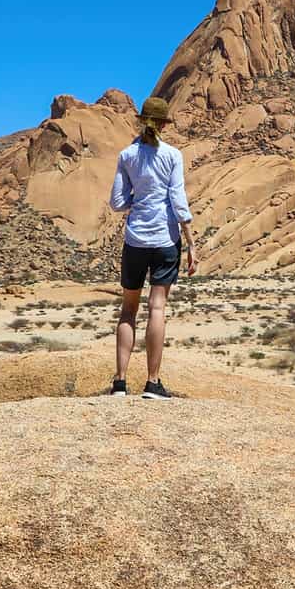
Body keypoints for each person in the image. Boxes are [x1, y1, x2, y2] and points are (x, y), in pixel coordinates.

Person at [107, 95, 195, 397]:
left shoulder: (127, 155)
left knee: (128, 310)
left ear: (142, 121)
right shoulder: (172, 155)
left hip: (135, 239)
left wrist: (139, 202)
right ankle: (153, 383)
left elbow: (117, 203)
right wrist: (192, 244)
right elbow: (179, 203)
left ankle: (119, 382)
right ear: (163, 124)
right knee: (157, 307)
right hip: (165, 239)